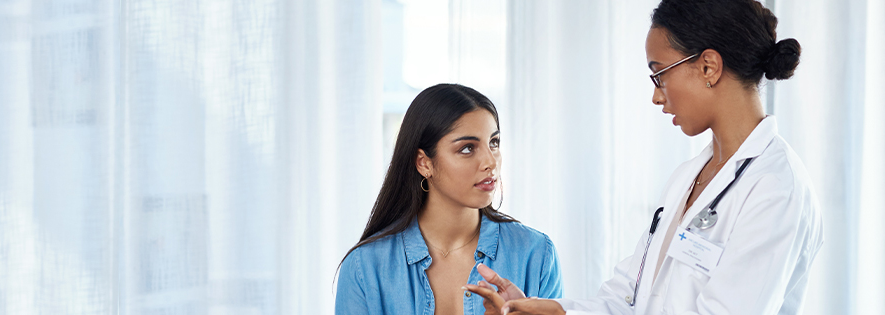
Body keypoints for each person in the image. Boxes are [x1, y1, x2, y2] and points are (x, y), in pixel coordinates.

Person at [464, 0, 823, 314]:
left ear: (709, 67)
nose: (656, 97)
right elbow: (628, 299)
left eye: (659, 75)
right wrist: (550, 312)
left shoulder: (776, 188)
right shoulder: (690, 176)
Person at [336, 83, 563, 315]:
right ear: (424, 163)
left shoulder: (536, 254)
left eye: (494, 143)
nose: (491, 162)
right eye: (467, 148)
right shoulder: (364, 268)